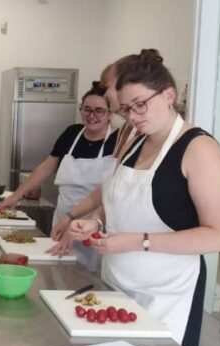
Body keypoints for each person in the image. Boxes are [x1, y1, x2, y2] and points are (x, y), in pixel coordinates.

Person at [67, 49, 220, 346]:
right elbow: (121, 200)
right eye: (126, 110)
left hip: (167, 296)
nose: (133, 117)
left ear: (169, 95)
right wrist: (96, 221)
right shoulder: (135, 140)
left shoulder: (199, 149)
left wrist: (136, 241)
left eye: (140, 104)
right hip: (116, 289)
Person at [0, 82, 117, 271]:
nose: (91, 116)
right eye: (86, 110)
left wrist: (79, 223)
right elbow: (45, 167)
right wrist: (16, 195)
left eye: (99, 111)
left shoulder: (118, 142)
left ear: (110, 113)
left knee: (90, 276)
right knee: (59, 270)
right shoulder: (72, 133)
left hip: (93, 222)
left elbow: (111, 195)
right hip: (63, 218)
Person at [45, 55, 145, 257]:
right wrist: (71, 218)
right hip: (88, 226)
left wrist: (89, 221)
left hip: (123, 246)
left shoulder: (133, 135)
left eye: (107, 86)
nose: (106, 91)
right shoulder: (128, 130)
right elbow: (110, 188)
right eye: (87, 110)